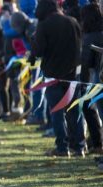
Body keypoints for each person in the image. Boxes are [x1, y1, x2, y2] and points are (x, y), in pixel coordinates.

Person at [32, 0, 86, 157]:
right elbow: (79, 47)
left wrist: (33, 41)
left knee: (57, 112)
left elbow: (38, 51)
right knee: (75, 111)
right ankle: (79, 146)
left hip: (53, 75)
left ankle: (62, 147)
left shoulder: (44, 25)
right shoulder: (73, 21)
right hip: (72, 74)